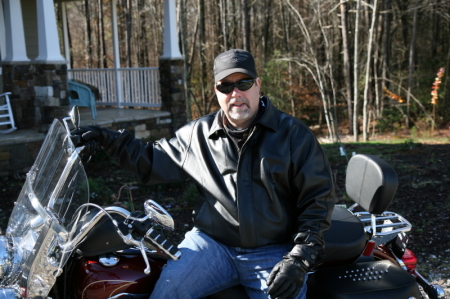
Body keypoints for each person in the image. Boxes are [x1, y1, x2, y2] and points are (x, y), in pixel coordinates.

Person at [71, 49, 336, 299]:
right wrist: (108, 139)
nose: (236, 93)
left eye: (243, 83)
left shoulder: (293, 135)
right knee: (166, 293)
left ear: (257, 84)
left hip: (272, 250)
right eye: (226, 86)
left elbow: (318, 199)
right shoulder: (198, 135)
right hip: (211, 245)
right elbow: (150, 159)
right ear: (216, 91)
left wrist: (299, 257)